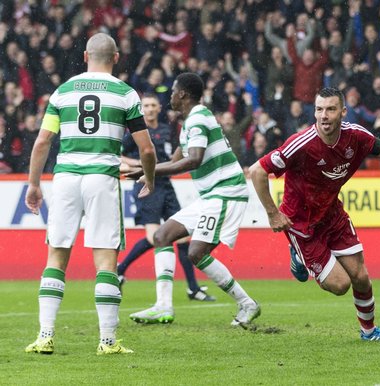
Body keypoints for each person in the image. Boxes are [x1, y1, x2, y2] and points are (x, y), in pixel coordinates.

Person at [249, 87, 380, 342]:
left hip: (332, 214)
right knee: (340, 285)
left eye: (331, 109)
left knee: (361, 276)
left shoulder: (355, 136)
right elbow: (257, 171)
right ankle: (298, 256)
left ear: (343, 112)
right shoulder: (300, 144)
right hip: (301, 224)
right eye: (319, 109)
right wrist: (272, 214)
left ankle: (369, 333)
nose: (324, 115)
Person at [24, 33, 156, 355]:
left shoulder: (63, 91)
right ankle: (107, 342)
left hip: (66, 178)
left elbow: (42, 142)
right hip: (101, 178)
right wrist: (149, 178)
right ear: (115, 57)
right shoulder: (125, 94)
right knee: (105, 260)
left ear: (85, 56)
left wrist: (33, 183)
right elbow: (146, 149)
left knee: (56, 256)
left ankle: (45, 336)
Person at [126, 73, 260, 327]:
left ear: (183, 95)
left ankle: (247, 304)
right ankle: (163, 306)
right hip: (212, 194)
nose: (171, 96)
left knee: (196, 252)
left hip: (226, 191)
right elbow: (176, 160)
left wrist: (150, 171)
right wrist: (148, 175)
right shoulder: (190, 122)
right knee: (162, 236)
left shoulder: (198, 118)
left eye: (174, 91)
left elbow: (193, 160)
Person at [118, 93, 215, 302]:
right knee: (155, 237)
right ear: (141, 109)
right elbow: (119, 156)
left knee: (182, 238)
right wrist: (139, 166)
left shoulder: (166, 129)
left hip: (166, 185)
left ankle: (193, 288)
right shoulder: (135, 131)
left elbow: (174, 156)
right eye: (146, 105)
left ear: (159, 108)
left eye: (153, 105)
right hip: (147, 185)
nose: (150, 109)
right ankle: (121, 269)